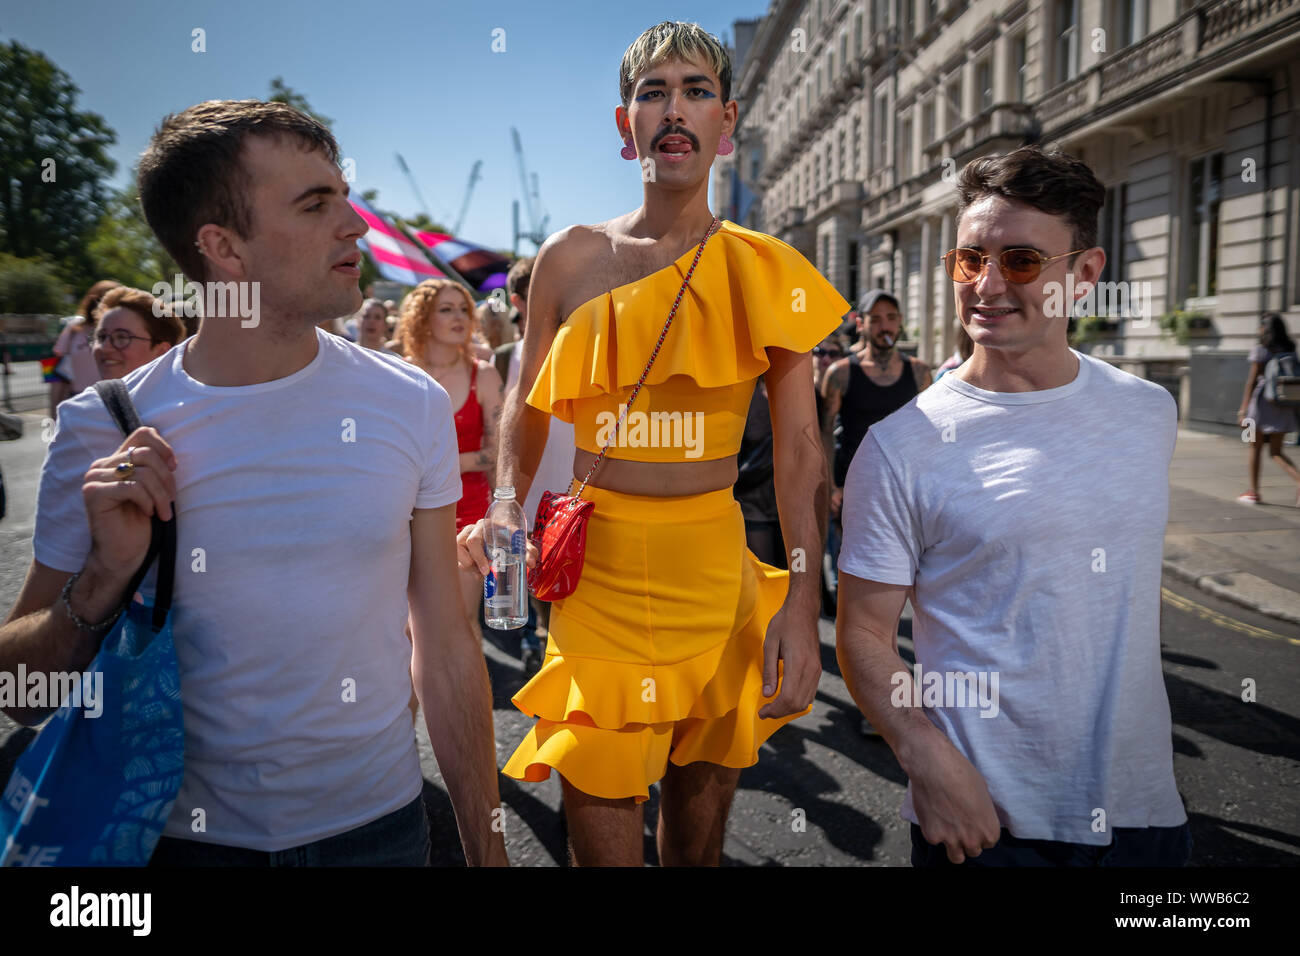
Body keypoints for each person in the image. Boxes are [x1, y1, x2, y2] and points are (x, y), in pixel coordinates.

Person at [1, 99, 506, 866]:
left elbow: (444, 645)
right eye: (316, 204)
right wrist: (104, 577)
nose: (358, 226)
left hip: (382, 833)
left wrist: (486, 849)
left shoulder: (411, 403)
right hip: (178, 845)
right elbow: (18, 695)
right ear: (224, 249)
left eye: (343, 193)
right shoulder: (103, 425)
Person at [457, 21, 848, 866]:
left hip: (717, 573)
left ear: (727, 118)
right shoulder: (570, 255)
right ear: (624, 122)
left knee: (698, 850)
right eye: (653, 91)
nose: (675, 109)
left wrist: (804, 606)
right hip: (596, 575)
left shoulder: (768, 267)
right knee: (601, 842)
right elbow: (524, 406)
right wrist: (504, 509)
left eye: (696, 90)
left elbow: (800, 455)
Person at [836, 144, 1190, 867]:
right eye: (969, 260)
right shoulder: (902, 446)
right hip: (985, 824)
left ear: (1084, 275)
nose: (987, 284)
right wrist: (925, 755)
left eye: (1021, 261)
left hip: (1147, 815)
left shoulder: (1149, 412)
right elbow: (864, 635)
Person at [821, 290, 931, 722]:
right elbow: (827, 433)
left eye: (892, 317)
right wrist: (831, 485)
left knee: (924, 601)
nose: (886, 326)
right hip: (858, 498)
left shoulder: (920, 373)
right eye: (876, 318)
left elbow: (928, 435)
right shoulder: (840, 374)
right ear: (861, 323)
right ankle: (879, 706)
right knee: (871, 609)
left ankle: (929, 694)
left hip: (910, 499)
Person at [398, 278, 505, 644]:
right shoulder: (398, 373)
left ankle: (466, 703)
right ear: (423, 318)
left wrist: (453, 464)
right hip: (405, 512)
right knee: (409, 630)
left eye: (463, 309)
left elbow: (500, 448)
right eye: (446, 309)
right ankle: (406, 705)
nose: (459, 316)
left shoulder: (484, 374)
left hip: (469, 513)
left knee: (460, 626)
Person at [497, 256, 574, 678]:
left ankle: (558, 658)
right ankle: (537, 648)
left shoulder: (578, 343)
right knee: (525, 576)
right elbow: (502, 426)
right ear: (519, 301)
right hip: (526, 485)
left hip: (569, 484)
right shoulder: (506, 356)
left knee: (565, 578)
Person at [1235, 312, 1300, 506]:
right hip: (1283, 404)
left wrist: (1243, 409)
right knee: (1276, 451)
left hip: (1262, 405)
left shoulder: (1261, 350)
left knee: (1254, 446)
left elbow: (1251, 381)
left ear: (1265, 329)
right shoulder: (1290, 348)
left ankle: (1254, 492)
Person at [49, 280, 119, 418]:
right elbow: (56, 374)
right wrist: (53, 411)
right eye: (103, 300)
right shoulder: (74, 329)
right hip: (78, 402)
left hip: (115, 403)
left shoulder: (128, 331)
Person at [90, 286, 186, 380]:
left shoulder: (183, 395)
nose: (104, 348)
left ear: (162, 351)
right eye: (101, 337)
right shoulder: (91, 395)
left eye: (122, 337)